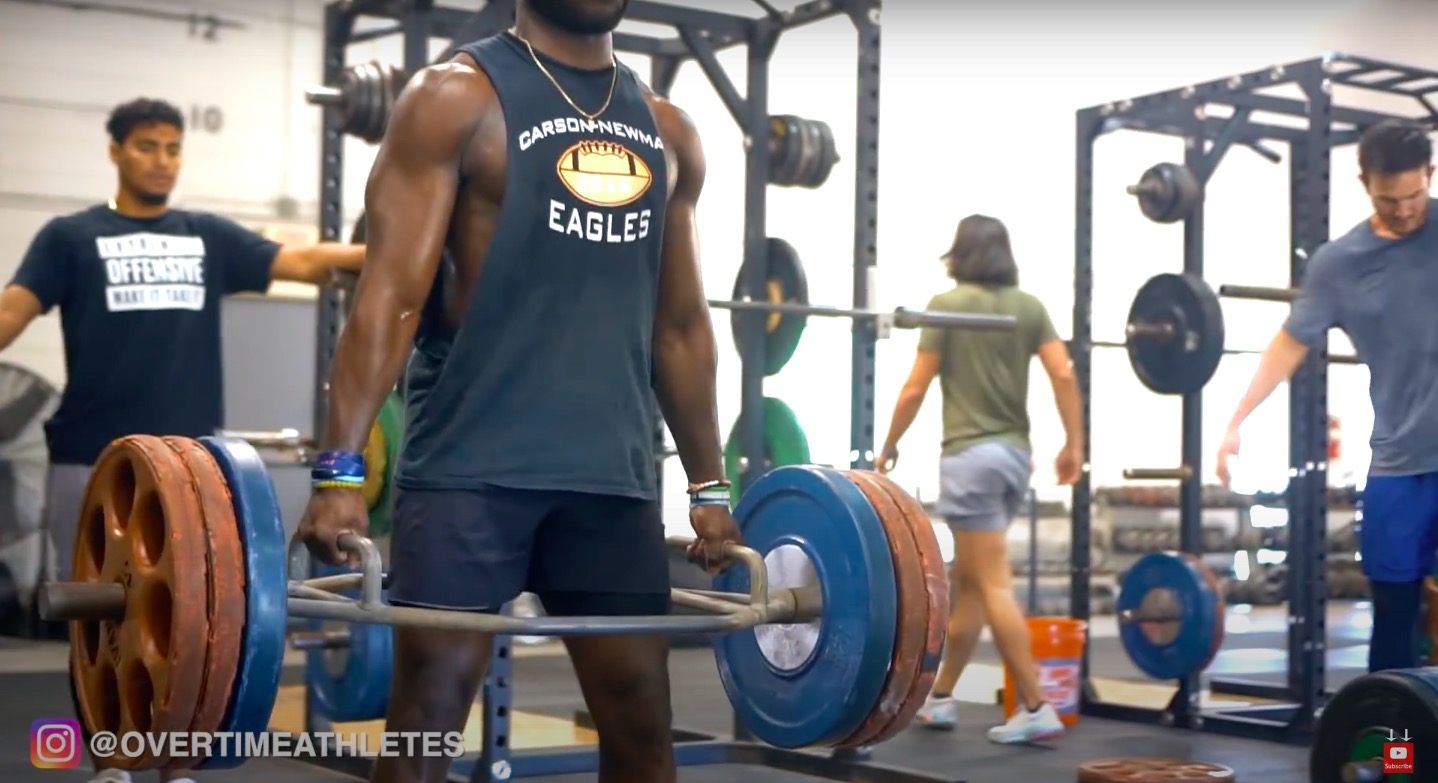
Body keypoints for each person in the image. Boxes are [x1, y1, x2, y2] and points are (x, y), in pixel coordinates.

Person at [294, 1, 742, 782]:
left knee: (643, 724)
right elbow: (389, 296)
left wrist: (708, 483)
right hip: (472, 468)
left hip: (611, 474)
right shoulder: (452, 99)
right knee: (428, 720)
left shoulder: (669, 129)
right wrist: (338, 473)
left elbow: (680, 326)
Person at [0, 97, 364, 783]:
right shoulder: (69, 236)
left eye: (172, 147)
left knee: (196, 627)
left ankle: (175, 762)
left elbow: (308, 261)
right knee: (99, 628)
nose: (161, 160)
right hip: (92, 462)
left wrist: (408, 242)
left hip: (192, 476)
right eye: (146, 146)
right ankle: (111, 757)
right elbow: (12, 311)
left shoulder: (207, 236)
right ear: (115, 150)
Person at [1215, 118, 1438, 674]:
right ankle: (1399, 753)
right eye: (1391, 200)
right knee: (1393, 614)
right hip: (1399, 464)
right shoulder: (1340, 264)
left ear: (1431, 175)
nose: (1406, 210)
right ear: (1365, 184)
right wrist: (1236, 421)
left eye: (1415, 195)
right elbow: (1289, 345)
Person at [875, 214, 1084, 743]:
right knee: (969, 584)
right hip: (1014, 458)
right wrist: (1074, 444)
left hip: (969, 460)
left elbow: (915, 387)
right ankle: (941, 698)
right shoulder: (1029, 307)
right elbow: (1063, 372)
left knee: (992, 583)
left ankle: (1037, 705)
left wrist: (890, 443)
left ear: (959, 255)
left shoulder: (947, 305)